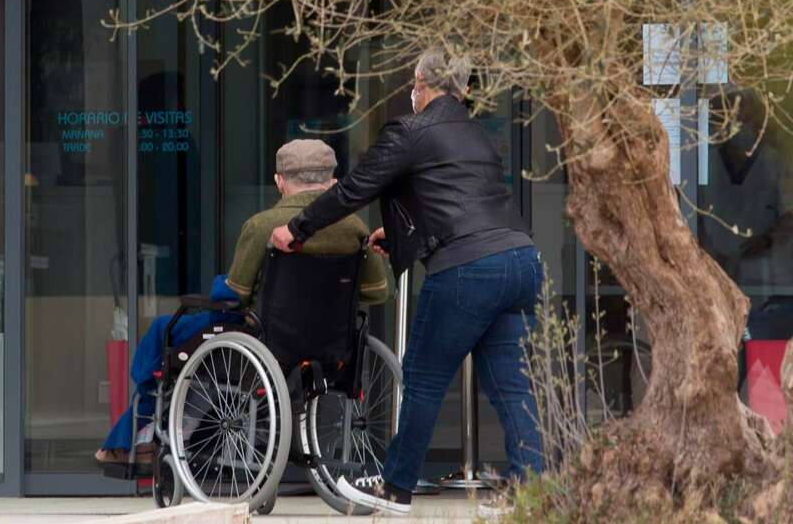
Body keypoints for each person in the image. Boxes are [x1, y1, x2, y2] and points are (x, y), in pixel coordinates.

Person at [271, 49, 543, 517]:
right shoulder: (477, 134)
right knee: (513, 389)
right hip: (519, 260)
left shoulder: (411, 130)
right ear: (464, 89)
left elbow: (354, 188)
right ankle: (536, 492)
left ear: (421, 83)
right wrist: (395, 242)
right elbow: (453, 200)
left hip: (467, 269)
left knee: (421, 380)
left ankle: (394, 487)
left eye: (413, 85)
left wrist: (296, 229)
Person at [96, 139, 388, 465]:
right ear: (333, 182)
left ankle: (138, 433)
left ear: (279, 181)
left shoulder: (263, 225)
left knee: (166, 332)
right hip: (333, 346)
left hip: (266, 345)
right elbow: (377, 291)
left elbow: (233, 296)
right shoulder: (355, 228)